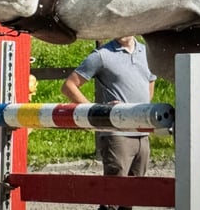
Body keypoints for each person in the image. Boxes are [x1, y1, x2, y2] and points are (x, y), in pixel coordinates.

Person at [61, 35, 156, 210]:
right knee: (112, 197)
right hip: (117, 135)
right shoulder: (102, 55)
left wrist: (140, 114)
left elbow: (150, 82)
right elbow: (69, 86)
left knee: (133, 195)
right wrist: (97, 111)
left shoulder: (147, 52)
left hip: (142, 133)